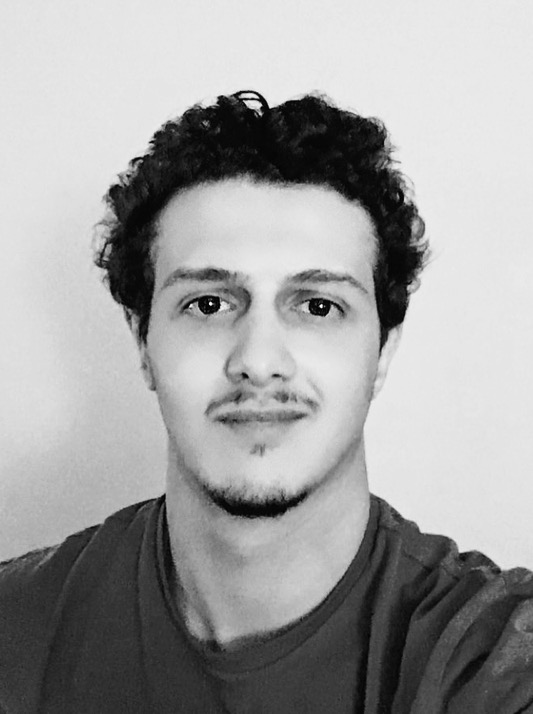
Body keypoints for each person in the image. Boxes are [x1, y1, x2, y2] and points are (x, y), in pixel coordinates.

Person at [1, 89, 532, 714]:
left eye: (318, 306)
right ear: (143, 341)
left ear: (383, 349)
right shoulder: (16, 631)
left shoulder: (490, 664)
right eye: (208, 304)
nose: (258, 359)